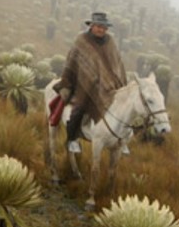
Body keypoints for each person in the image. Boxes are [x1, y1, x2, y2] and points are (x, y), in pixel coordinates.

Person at [54, 12, 127, 153]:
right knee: (79, 108)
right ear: (92, 25)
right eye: (99, 26)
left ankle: (121, 139)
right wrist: (74, 80)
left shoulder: (110, 41)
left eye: (104, 27)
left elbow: (117, 63)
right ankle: (72, 139)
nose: (102, 30)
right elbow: (72, 61)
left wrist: (117, 81)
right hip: (84, 83)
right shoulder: (82, 40)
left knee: (125, 107)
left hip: (108, 84)